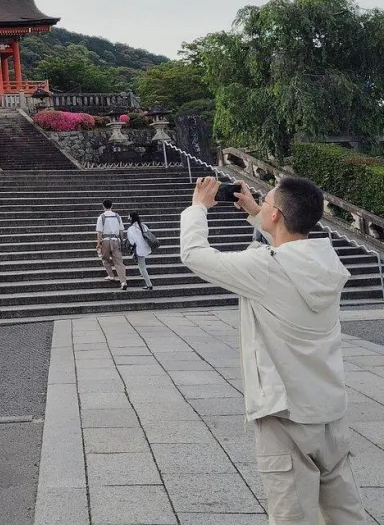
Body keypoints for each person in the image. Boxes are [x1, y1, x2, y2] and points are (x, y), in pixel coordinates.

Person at [181, 176, 366, 525]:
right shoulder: (326, 263)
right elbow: (289, 252)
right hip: (328, 409)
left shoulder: (265, 269)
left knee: (291, 516)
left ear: (278, 215)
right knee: (346, 513)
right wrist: (256, 213)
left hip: (286, 414)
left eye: (266, 202)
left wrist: (198, 208)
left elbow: (194, 255)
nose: (260, 204)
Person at [95, 199, 128, 290]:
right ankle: (123, 281)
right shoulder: (117, 216)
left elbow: (99, 232)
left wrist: (98, 243)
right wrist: (122, 241)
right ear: (111, 206)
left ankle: (111, 275)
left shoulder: (101, 217)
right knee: (119, 262)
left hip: (106, 240)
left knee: (104, 258)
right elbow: (121, 230)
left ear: (103, 206)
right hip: (116, 239)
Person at [126, 212, 154, 290]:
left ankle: (149, 284)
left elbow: (131, 242)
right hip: (145, 247)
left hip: (138, 249)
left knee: (142, 266)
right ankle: (142, 274)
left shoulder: (131, 229)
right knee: (141, 263)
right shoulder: (143, 225)